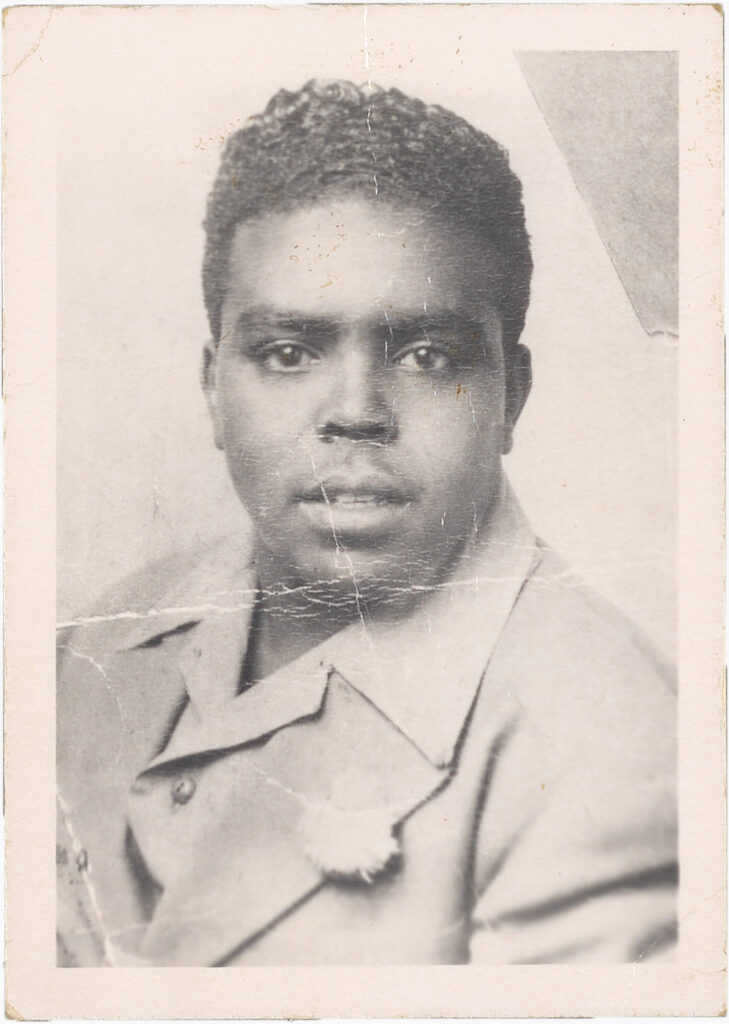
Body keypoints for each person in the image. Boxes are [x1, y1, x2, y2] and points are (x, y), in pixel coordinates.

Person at [56, 79, 677, 966]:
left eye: (427, 356)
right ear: (212, 390)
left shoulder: (617, 749)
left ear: (512, 398)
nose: (354, 411)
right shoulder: (101, 637)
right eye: (288, 353)